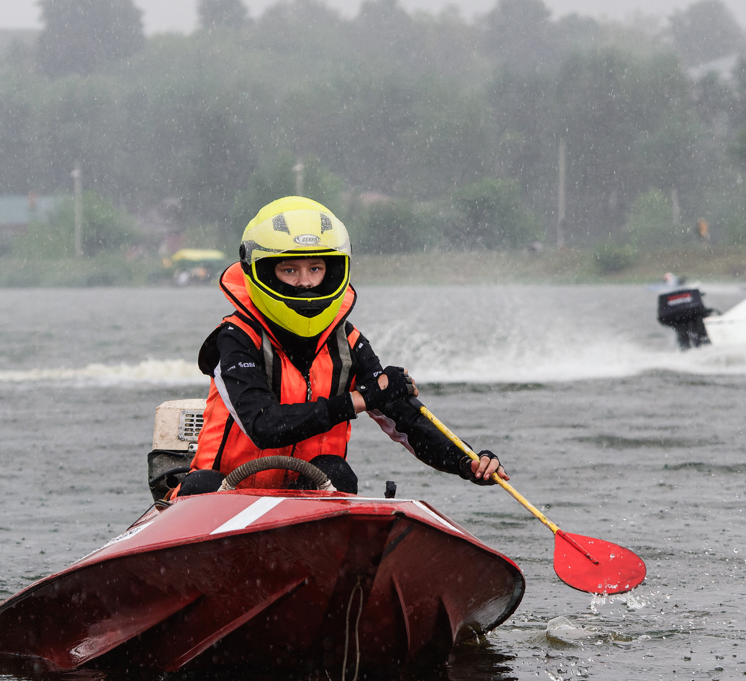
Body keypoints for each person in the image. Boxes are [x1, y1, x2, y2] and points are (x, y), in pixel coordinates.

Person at [176, 196, 506, 496]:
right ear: (263, 272)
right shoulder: (234, 337)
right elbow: (264, 426)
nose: (305, 281)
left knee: (337, 473)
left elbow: (407, 421)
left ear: (331, 272)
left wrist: (468, 461)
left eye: (315, 269)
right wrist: (361, 399)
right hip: (223, 497)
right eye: (290, 269)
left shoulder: (349, 343)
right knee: (200, 485)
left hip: (304, 506)